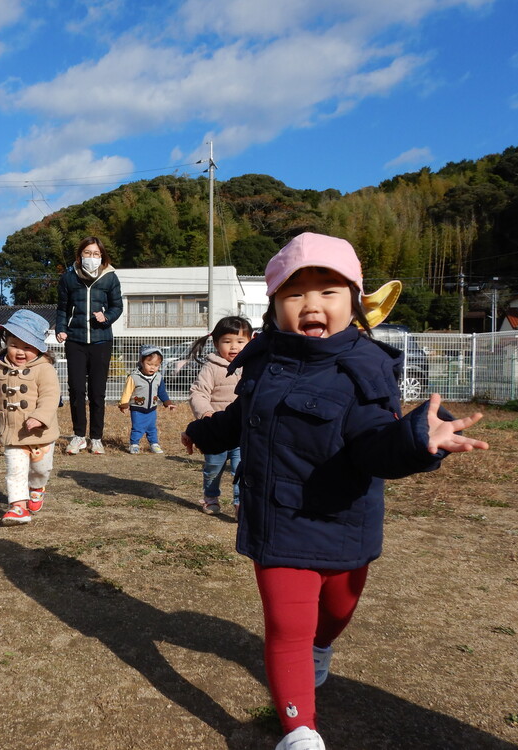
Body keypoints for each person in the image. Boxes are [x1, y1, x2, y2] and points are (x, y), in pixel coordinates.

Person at [180, 233, 489, 750]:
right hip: (278, 523)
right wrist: (201, 432)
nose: (312, 305)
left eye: (328, 291)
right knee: (288, 627)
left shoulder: (365, 367)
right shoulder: (260, 360)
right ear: (274, 305)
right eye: (295, 294)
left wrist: (418, 440)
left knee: (337, 613)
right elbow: (241, 417)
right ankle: (300, 731)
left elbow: (374, 445)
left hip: (346, 523)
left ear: (354, 301)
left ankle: (322, 648)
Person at [0, 309, 60, 526]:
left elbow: (51, 396)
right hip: (12, 434)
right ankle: (18, 507)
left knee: (41, 470)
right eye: (14, 345)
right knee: (15, 470)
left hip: (40, 434)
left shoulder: (44, 369)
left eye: (27, 347)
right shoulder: (0, 369)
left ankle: (37, 488)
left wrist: (40, 417)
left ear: (39, 348)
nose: (20, 352)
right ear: (6, 342)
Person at [55, 236, 123, 455]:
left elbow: (117, 306)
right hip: (75, 340)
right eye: (87, 253)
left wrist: (107, 317)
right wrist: (61, 328)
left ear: (101, 256)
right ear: (80, 255)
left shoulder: (110, 277)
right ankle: (78, 436)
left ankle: (96, 438)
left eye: (96, 254)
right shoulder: (68, 278)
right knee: (75, 389)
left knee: (97, 392)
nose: (91, 257)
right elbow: (62, 308)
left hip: (101, 340)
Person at [187, 316, 254, 515]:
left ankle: (240, 502)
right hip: (216, 429)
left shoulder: (251, 366)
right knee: (213, 469)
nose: (234, 347)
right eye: (227, 341)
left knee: (241, 469)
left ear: (251, 341)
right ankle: (210, 497)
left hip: (241, 430)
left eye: (240, 342)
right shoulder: (212, 367)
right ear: (216, 343)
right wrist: (206, 413)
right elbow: (198, 392)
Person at [118, 344, 177, 454]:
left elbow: (162, 392)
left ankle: (154, 444)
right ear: (141, 362)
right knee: (137, 427)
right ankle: (134, 444)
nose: (152, 367)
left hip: (152, 409)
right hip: (137, 409)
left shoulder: (158, 377)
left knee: (152, 428)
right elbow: (127, 392)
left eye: (156, 365)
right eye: (149, 364)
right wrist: (124, 404)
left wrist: (167, 403)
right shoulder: (134, 377)